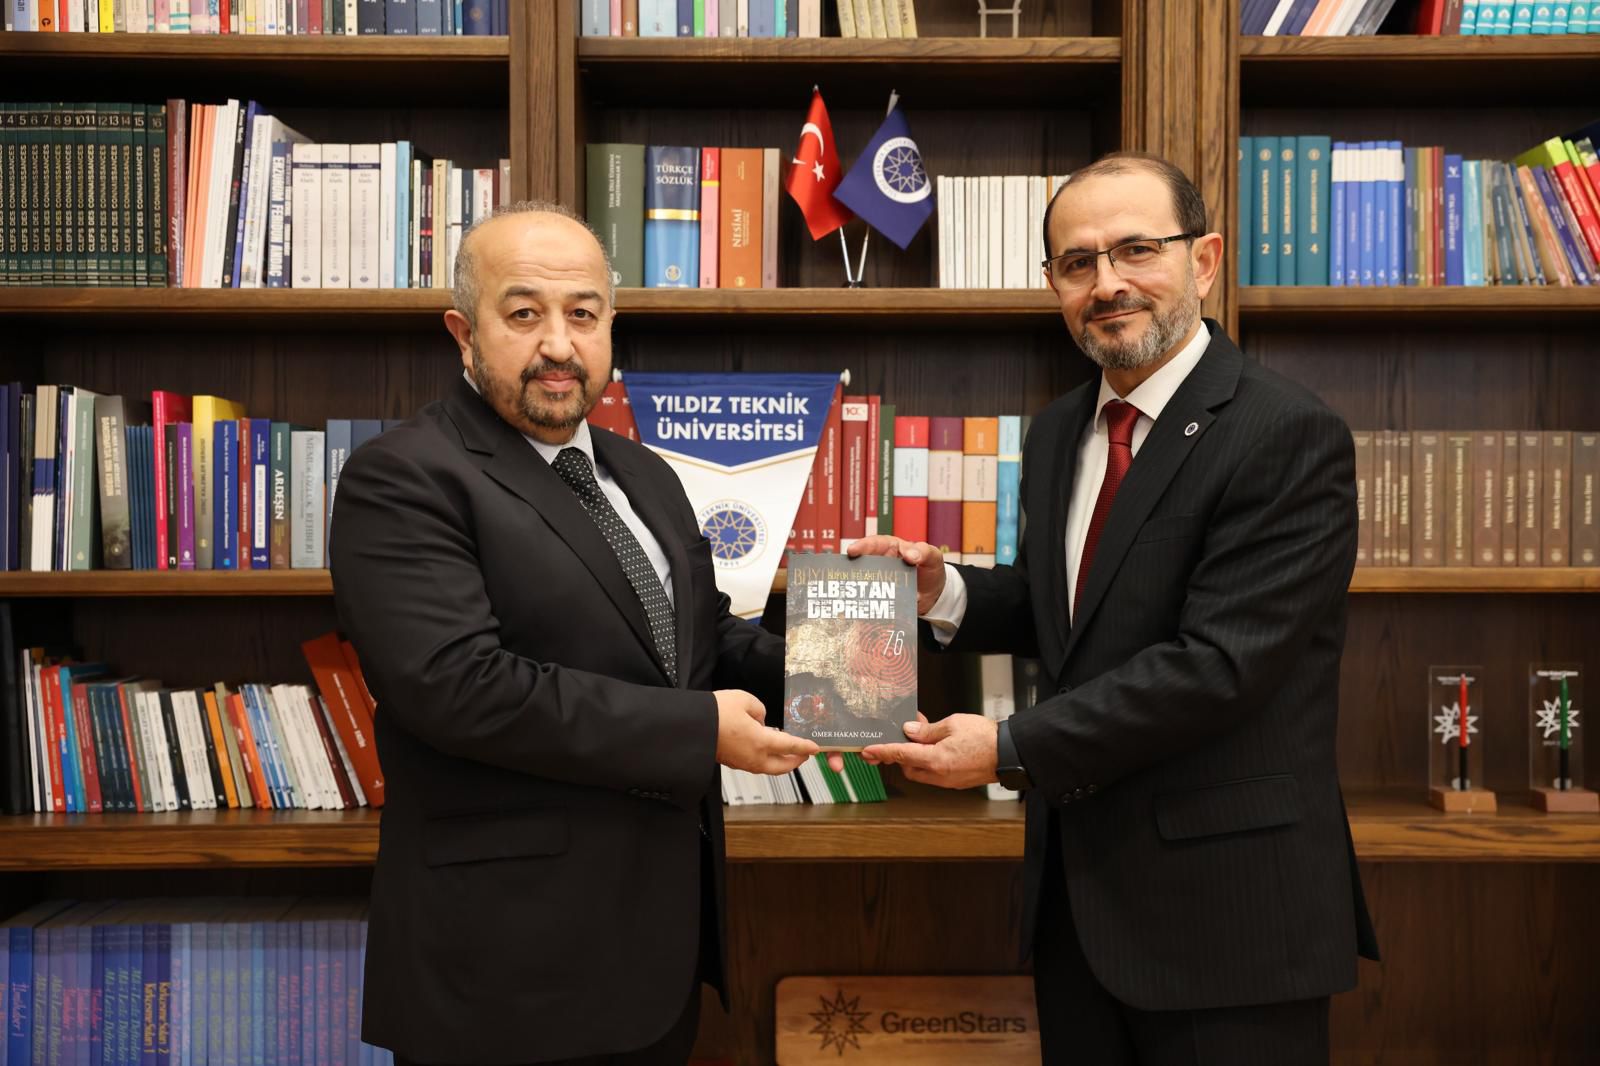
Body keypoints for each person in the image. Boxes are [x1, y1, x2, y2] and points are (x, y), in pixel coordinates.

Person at [848, 152, 1379, 1065]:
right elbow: (1073, 611)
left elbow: (1219, 668)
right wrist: (944, 589)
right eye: (1077, 262)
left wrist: (1008, 746)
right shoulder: (1060, 430)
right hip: (1079, 904)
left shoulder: (1285, 432)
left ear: (1204, 261)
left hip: (1231, 918)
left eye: (1137, 250)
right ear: (1052, 283)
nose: (1106, 284)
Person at [329, 203, 818, 1066]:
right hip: (505, 970)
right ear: (464, 333)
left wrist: (850, 670)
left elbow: (697, 640)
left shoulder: (643, 472)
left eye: (583, 314)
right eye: (524, 313)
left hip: (654, 954)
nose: (559, 343)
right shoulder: (403, 476)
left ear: (610, 327)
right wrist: (700, 729)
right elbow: (459, 687)